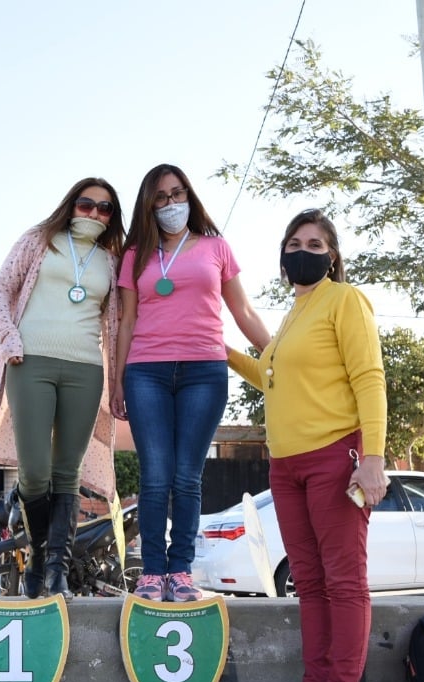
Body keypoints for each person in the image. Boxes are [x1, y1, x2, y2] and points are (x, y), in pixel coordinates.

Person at [228, 209, 388, 682]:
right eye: (294, 243)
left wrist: (373, 456)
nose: (303, 251)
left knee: (344, 583)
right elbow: (271, 376)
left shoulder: (345, 300)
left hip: (334, 457)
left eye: (315, 244)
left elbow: (369, 378)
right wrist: (220, 351)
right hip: (286, 465)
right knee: (309, 583)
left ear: (332, 256)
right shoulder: (296, 313)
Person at [0, 178, 124, 599]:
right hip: (30, 363)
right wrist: (9, 337)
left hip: (85, 369)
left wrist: (118, 379)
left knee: (68, 473)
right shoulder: (39, 240)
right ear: (71, 204)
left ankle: (56, 569)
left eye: (105, 208)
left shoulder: (111, 259)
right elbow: (0, 291)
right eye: (86, 204)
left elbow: (116, 324)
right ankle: (39, 556)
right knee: (35, 472)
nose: (94, 213)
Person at [111, 164, 270, 602]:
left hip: (204, 371)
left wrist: (275, 353)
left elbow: (243, 311)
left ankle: (180, 571)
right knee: (155, 476)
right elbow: (127, 322)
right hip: (146, 373)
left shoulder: (216, 247)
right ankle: (151, 573)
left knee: (186, 477)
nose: (171, 203)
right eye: (161, 197)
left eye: (178, 193)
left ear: (190, 197)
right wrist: (117, 380)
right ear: (149, 205)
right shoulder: (135, 255)